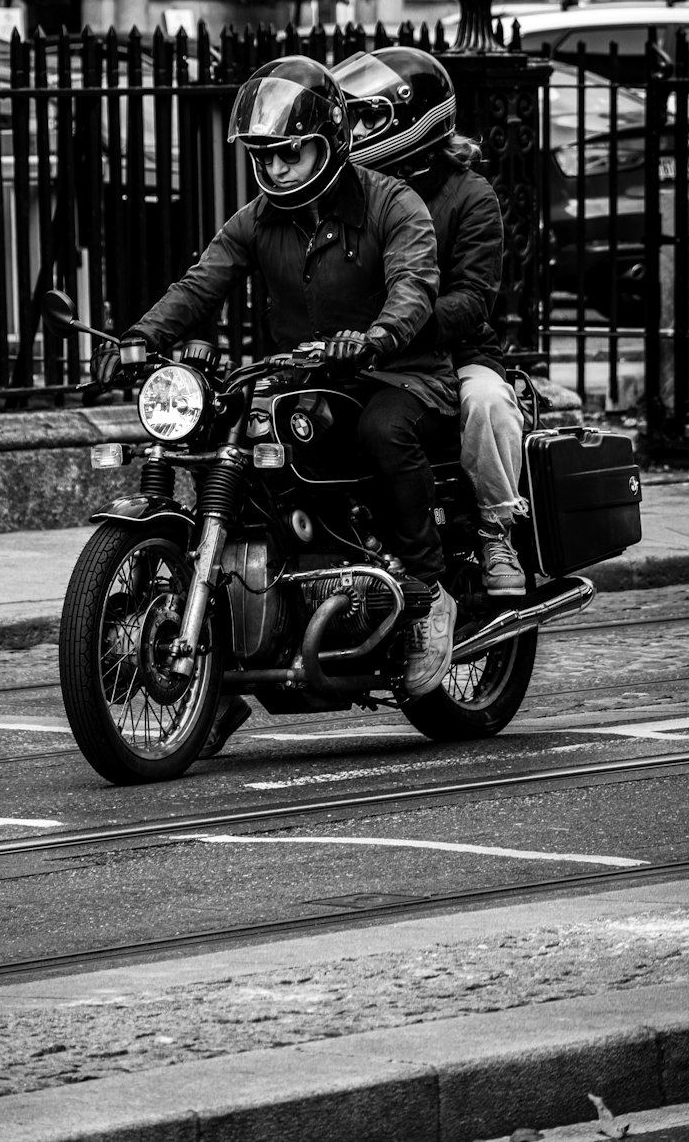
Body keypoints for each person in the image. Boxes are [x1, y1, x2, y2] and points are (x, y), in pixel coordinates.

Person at [91, 55, 460, 754]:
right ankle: (220, 678)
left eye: (293, 153)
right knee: (232, 462)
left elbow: (415, 285)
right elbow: (201, 282)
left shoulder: (391, 203)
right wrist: (138, 339)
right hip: (303, 379)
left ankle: (423, 591)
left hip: (398, 375)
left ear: (332, 143)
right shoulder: (257, 220)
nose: (280, 169)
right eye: (266, 156)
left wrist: (379, 336)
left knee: (384, 432)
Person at [331, 45, 528, 597]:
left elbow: (472, 300)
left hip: (454, 352)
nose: (358, 131)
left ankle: (495, 529)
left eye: (369, 118)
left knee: (487, 403)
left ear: (415, 119)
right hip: (365, 350)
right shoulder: (352, 190)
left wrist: (392, 328)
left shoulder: (471, 196)